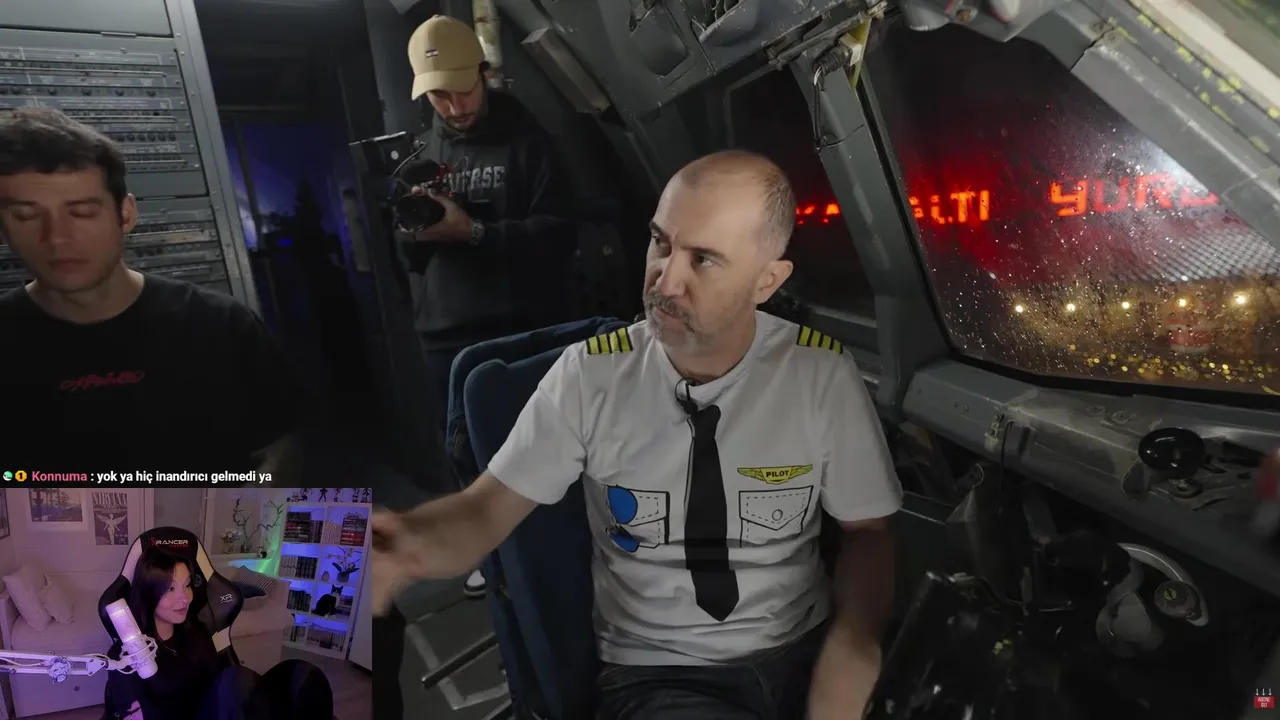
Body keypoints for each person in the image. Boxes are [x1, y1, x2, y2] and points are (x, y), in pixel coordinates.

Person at [372, 149, 902, 719]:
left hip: (807, 650)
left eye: (704, 259)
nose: (665, 280)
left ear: (766, 281)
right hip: (663, 674)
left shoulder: (819, 374)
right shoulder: (590, 376)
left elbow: (868, 532)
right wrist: (409, 544)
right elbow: (484, 511)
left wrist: (856, 637)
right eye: (660, 243)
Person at [0, 107, 304, 477]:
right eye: (27, 216)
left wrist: (263, 502)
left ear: (126, 214)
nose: (57, 238)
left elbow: (278, 451)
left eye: (82, 212)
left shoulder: (221, 324)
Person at [399, 13, 576, 596]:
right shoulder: (422, 152)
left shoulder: (529, 140)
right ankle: (493, 559)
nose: (453, 107)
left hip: (519, 326)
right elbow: (411, 258)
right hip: (444, 333)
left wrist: (475, 233)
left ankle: (551, 560)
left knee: (537, 454)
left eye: (462, 90)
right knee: (466, 454)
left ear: (484, 71)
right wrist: (416, 231)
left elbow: (559, 235)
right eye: (438, 96)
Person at [105, 546, 332, 720]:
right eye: (170, 588)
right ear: (149, 593)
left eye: (187, 585)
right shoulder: (124, 656)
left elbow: (219, 684)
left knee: (302, 673)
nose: (185, 598)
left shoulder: (195, 632)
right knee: (235, 680)